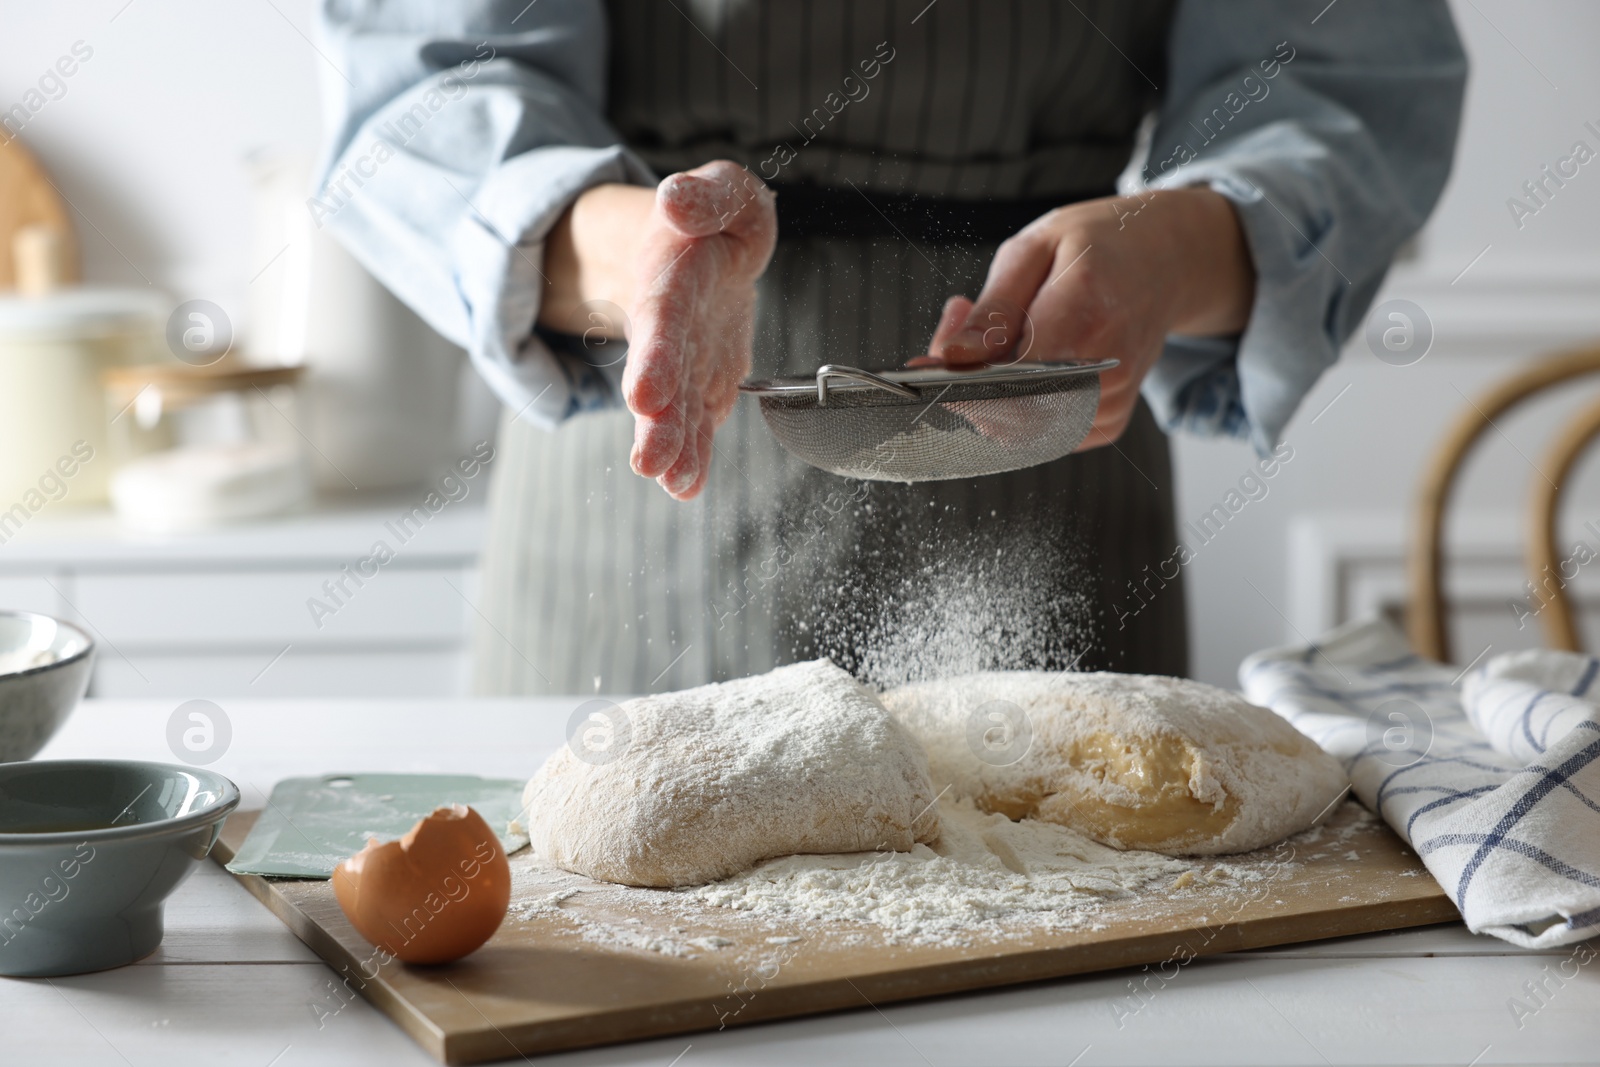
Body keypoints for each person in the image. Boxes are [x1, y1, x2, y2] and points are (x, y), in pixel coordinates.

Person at [311, 1, 1466, 694]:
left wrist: (1166, 250)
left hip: (1049, 478)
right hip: (641, 512)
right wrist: (650, 255)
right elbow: (425, 88)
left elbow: (1338, 72)